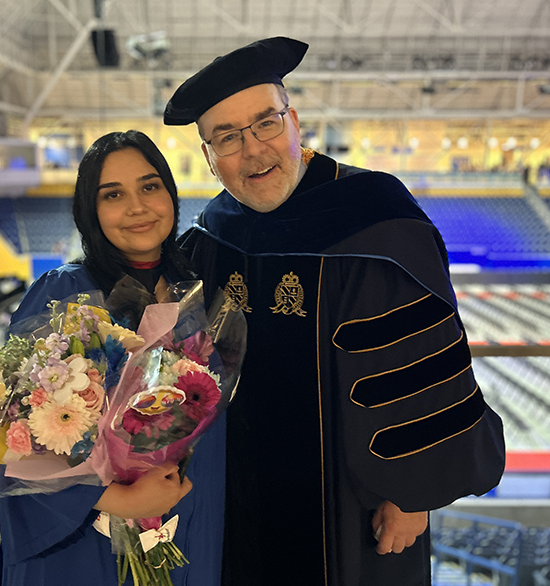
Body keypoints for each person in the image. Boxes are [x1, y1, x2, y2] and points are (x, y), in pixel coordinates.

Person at [167, 37, 505, 586]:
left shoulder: (373, 219)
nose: (252, 150)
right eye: (226, 137)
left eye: (265, 124)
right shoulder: (215, 233)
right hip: (239, 494)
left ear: (294, 122)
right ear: (207, 155)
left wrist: (411, 493)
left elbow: (420, 364)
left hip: (355, 509)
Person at [0, 130, 225, 585]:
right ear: (90, 210)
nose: (137, 206)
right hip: (86, 539)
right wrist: (117, 501)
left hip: (191, 519)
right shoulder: (63, 295)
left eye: (149, 186)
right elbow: (18, 440)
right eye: (113, 194)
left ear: (171, 194)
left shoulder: (199, 293)